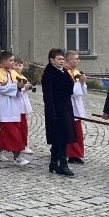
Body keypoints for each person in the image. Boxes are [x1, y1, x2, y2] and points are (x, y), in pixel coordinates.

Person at [0, 52, 32, 165]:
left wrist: (22, 87)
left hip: (13, 105)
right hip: (3, 107)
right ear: (3, 62)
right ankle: (17, 157)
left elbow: (16, 87)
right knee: (13, 133)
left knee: (6, 132)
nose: (13, 63)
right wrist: (16, 86)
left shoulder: (11, 73)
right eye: (11, 61)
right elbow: (1, 89)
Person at [42, 48, 76, 177]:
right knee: (59, 137)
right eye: (59, 59)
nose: (62, 61)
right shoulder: (49, 74)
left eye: (63, 59)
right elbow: (48, 96)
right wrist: (52, 113)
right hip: (56, 110)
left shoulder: (64, 72)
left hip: (66, 108)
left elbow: (70, 88)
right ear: (52, 60)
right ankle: (61, 163)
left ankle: (54, 162)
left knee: (63, 137)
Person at [64, 50, 88, 165]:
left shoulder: (75, 71)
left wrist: (82, 83)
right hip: (69, 104)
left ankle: (76, 153)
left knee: (77, 131)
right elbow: (70, 91)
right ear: (70, 60)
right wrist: (80, 83)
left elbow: (82, 91)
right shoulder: (65, 72)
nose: (78, 61)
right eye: (76, 59)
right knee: (72, 131)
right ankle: (72, 154)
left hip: (76, 104)